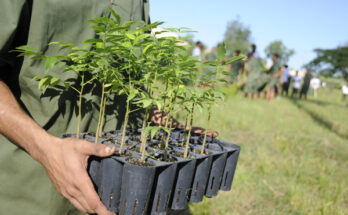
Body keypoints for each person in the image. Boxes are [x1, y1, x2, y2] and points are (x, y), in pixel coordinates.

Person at [0, 1, 216, 215]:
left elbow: (129, 84)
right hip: (36, 189)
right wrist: (45, 149)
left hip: (122, 186)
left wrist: (166, 123)